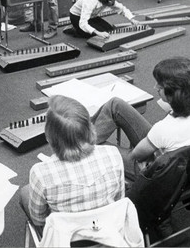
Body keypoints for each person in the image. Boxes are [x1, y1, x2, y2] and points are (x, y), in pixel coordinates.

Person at [19, 95, 125, 230]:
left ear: (49, 137)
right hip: (107, 232)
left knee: (25, 192)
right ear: (90, 127)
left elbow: (39, 220)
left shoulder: (39, 173)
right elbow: (119, 200)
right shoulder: (113, 154)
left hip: (66, 239)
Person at [92, 57, 190, 172]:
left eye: (160, 86)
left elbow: (134, 156)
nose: (155, 87)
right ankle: (86, 139)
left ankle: (82, 146)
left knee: (93, 147)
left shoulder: (164, 129)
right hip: (174, 158)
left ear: (173, 94)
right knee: (115, 104)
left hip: (154, 171)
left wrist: (148, 155)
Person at [64, 0, 139, 38]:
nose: (113, 2)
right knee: (95, 34)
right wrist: (98, 33)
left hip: (92, 16)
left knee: (109, 31)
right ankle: (75, 30)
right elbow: (83, 23)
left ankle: (80, 29)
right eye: (111, 1)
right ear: (105, 0)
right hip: (76, 16)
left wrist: (131, 19)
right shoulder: (90, 3)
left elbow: (121, 8)